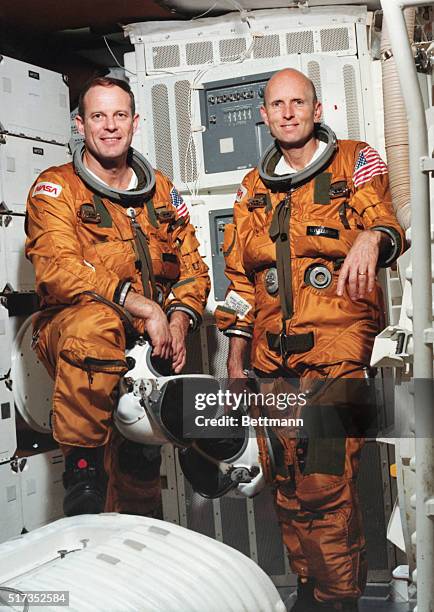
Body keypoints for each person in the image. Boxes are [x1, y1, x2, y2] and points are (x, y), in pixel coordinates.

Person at [215, 68, 405, 611]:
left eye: (299, 102)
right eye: (278, 104)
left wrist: (371, 238)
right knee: (287, 482)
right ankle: (312, 586)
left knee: (324, 481)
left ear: (317, 110)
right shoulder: (254, 188)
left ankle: (338, 598)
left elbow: (387, 221)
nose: (289, 112)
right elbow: (240, 281)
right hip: (273, 360)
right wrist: (235, 350)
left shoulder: (354, 160)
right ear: (265, 115)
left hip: (338, 353)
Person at [25, 76, 210, 517]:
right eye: (98, 116)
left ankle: (137, 527)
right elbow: (58, 267)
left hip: (147, 346)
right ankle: (83, 468)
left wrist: (179, 321)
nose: (110, 126)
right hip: (73, 333)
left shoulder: (160, 191)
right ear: (80, 124)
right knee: (97, 324)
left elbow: (193, 269)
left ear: (135, 121)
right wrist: (143, 306)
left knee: (138, 482)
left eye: (119, 115)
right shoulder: (56, 188)